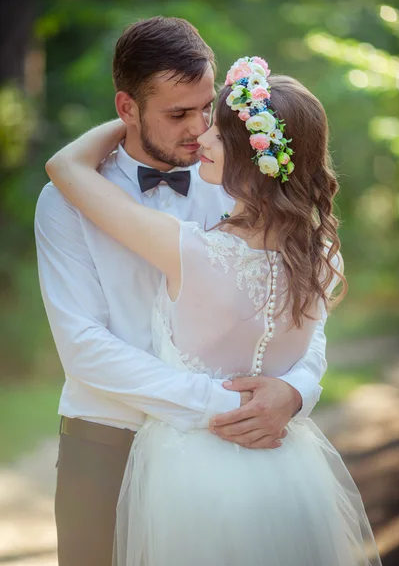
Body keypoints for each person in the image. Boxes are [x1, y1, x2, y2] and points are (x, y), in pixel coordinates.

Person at [45, 54, 381, 565]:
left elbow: (308, 327)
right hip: (109, 441)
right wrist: (227, 406)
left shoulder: (215, 194)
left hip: (234, 451)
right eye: (179, 114)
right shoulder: (317, 246)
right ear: (128, 109)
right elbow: (82, 346)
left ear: (251, 151)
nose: (199, 131)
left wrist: (294, 391)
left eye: (209, 115)